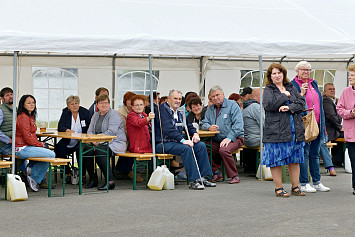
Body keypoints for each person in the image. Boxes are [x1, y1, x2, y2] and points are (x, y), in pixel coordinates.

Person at [154, 90, 215, 190]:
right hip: (163, 143)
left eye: (179, 99)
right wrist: (183, 140)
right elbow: (167, 129)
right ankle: (194, 180)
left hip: (176, 143)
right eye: (175, 98)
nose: (178, 101)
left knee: (201, 146)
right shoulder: (162, 110)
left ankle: (205, 177)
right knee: (186, 148)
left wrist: (195, 134)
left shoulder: (180, 111)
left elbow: (188, 125)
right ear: (169, 99)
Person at [262, 63, 306, 197]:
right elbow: (268, 105)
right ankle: (278, 188)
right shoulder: (269, 90)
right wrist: (284, 96)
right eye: (274, 73)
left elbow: (301, 103)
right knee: (276, 159)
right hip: (276, 130)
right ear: (270, 76)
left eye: (279, 73)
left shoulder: (291, 87)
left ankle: (295, 187)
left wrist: (289, 108)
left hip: (294, 129)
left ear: (283, 74)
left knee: (295, 159)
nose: (277, 76)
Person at [291, 61, 330, 192]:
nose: (306, 72)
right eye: (303, 70)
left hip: (317, 123)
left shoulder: (313, 83)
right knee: (304, 153)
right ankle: (304, 182)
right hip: (304, 124)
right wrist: (301, 93)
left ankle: (317, 182)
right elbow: (294, 104)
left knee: (315, 153)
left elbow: (319, 103)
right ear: (297, 71)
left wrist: (323, 125)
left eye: (308, 70)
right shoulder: (294, 85)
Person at [201, 86, 244, 184]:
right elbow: (203, 122)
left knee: (224, 150)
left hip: (235, 137)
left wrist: (229, 138)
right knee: (202, 147)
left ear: (223, 95)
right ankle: (215, 172)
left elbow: (238, 125)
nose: (215, 98)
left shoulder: (232, 105)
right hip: (217, 139)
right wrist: (208, 127)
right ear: (210, 98)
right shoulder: (210, 109)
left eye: (217, 95)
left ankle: (234, 175)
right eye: (213, 96)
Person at [85, 94, 126, 190]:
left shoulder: (114, 114)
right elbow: (90, 131)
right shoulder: (95, 115)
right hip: (98, 142)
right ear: (97, 105)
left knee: (100, 151)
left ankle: (110, 181)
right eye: (101, 103)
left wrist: (96, 140)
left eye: (106, 103)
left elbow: (111, 132)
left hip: (115, 142)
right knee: (85, 149)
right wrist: (95, 140)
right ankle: (93, 179)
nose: (104, 105)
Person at [15, 95, 55, 192]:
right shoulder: (23, 117)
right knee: (51, 154)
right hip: (21, 148)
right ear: (23, 105)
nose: (31, 104)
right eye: (29, 103)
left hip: (28, 146)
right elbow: (27, 136)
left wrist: (38, 143)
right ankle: (31, 174)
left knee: (46, 155)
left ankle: (31, 175)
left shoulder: (30, 116)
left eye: (33, 102)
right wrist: (39, 144)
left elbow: (31, 136)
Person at [55, 95, 91, 183]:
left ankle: (82, 175)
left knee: (80, 150)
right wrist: (67, 130)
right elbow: (60, 126)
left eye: (76, 103)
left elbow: (90, 127)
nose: (75, 105)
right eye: (72, 104)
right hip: (69, 140)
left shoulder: (85, 112)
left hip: (81, 141)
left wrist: (83, 137)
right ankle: (68, 173)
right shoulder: (65, 113)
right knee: (58, 148)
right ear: (68, 106)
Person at [336, 64, 355, 195]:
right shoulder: (346, 92)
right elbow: (339, 109)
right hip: (351, 133)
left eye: (352, 74)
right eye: (349, 74)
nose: (350, 77)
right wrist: (351, 113)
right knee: (354, 160)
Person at [242, 88, 264, 173]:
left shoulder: (246, 106)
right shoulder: (255, 107)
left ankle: (250, 167)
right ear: (254, 97)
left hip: (247, 139)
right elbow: (265, 124)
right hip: (255, 140)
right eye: (262, 96)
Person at [323, 83, 344, 167]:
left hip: (334, 128)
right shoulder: (325, 100)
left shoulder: (334, 101)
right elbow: (331, 116)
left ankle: (338, 160)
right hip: (329, 130)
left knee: (345, 136)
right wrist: (340, 127)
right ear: (324, 91)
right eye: (330, 89)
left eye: (333, 89)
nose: (332, 90)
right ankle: (340, 160)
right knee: (348, 135)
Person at [0, 87, 14, 156]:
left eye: (11, 94)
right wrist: (8, 140)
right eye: (7, 95)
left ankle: (28, 167)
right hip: (3, 145)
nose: (10, 97)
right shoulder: (1, 110)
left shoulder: (16, 109)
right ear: (2, 98)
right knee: (24, 153)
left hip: (14, 142)